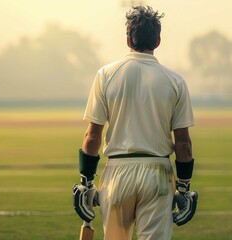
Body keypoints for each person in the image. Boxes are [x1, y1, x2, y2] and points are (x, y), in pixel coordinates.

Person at [73, 5, 197, 240]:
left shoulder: (106, 75)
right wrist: (184, 187)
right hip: (158, 175)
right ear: (158, 40)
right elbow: (183, 144)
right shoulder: (175, 81)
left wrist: (86, 181)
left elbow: (92, 136)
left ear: (128, 38)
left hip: (117, 174)